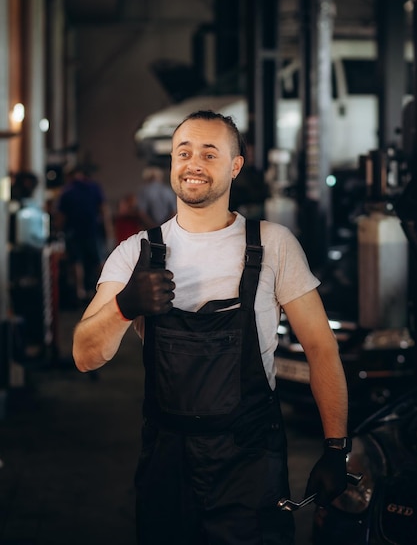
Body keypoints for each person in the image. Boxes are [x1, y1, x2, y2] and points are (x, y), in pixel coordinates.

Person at [73, 110, 350, 545]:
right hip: (167, 464)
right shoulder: (136, 254)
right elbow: (85, 356)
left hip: (249, 463)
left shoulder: (273, 245)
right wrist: (125, 306)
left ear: (234, 166)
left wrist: (336, 448)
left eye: (209, 152)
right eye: (183, 152)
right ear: (171, 164)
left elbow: (320, 348)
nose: (194, 163)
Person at [57, 164, 114, 302]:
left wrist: (59, 231)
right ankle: (105, 291)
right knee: (99, 260)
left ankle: (79, 291)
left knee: (76, 262)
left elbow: (61, 217)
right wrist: (108, 230)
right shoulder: (94, 187)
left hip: (73, 232)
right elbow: (103, 210)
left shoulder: (66, 191)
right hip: (93, 230)